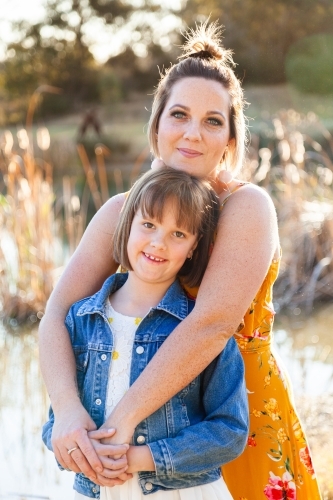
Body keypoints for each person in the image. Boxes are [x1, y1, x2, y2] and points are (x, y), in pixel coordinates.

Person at [39, 21, 322, 500]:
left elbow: (211, 324)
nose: (193, 133)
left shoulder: (246, 207)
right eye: (179, 115)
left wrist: (121, 420)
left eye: (213, 121)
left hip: (236, 424)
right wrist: (67, 411)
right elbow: (55, 315)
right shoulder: (122, 213)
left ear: (231, 139)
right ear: (156, 125)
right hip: (145, 441)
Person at [42, 168, 249, 499]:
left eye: (178, 234)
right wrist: (75, 447)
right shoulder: (80, 320)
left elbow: (229, 431)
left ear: (194, 247)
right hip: (96, 492)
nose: (159, 243)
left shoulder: (199, 333)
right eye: (149, 225)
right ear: (126, 228)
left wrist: (138, 458)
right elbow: (56, 423)